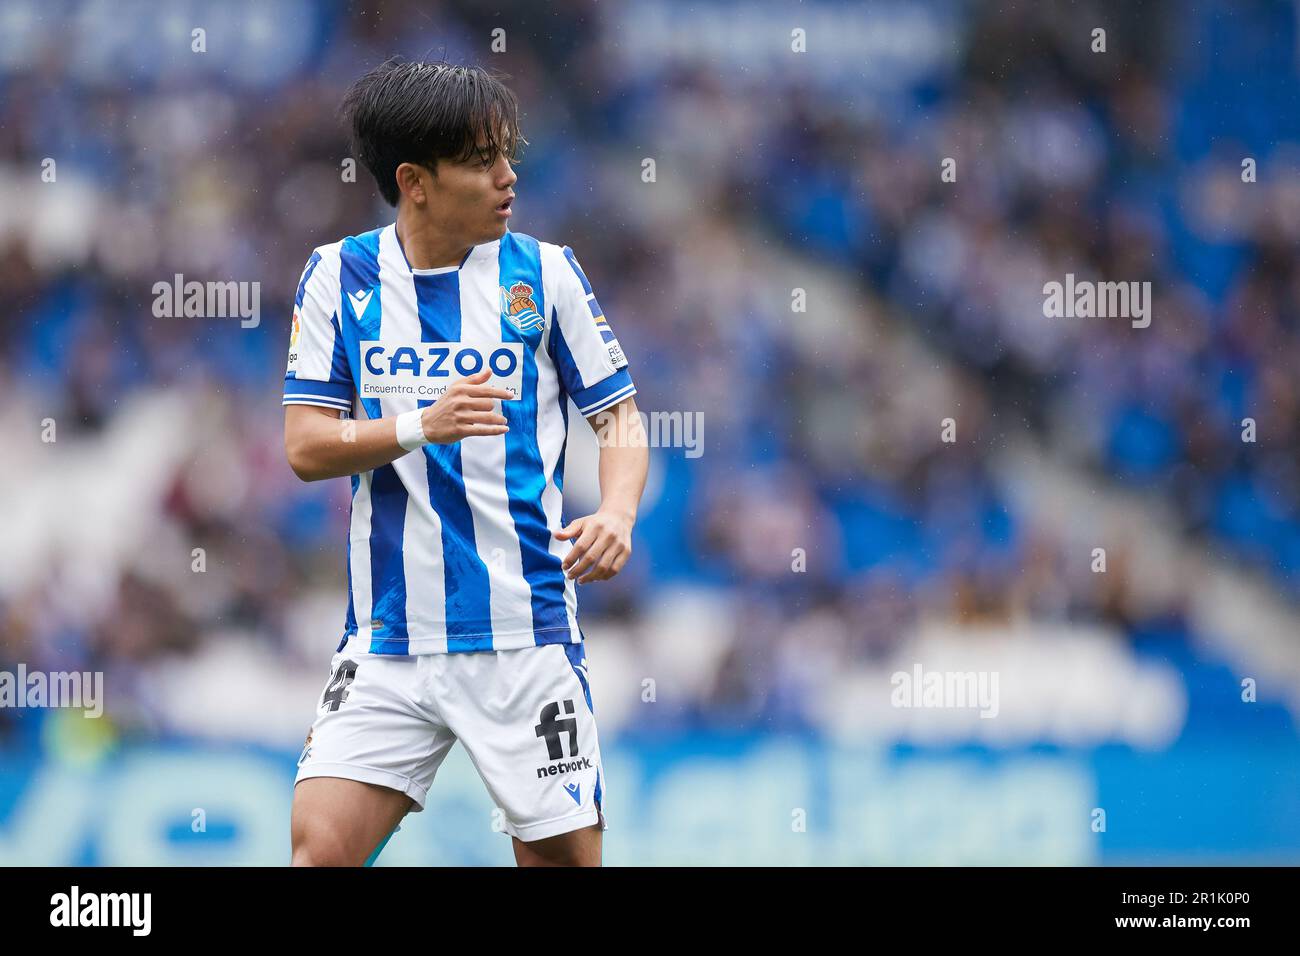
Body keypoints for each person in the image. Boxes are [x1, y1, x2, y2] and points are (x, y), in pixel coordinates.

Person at [282, 58, 648, 867]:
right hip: (388, 643)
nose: (508, 177)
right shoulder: (338, 277)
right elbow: (307, 446)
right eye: (483, 161)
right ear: (415, 180)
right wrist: (419, 425)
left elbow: (617, 414)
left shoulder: (545, 274)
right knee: (318, 856)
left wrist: (618, 513)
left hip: (524, 634)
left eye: (507, 154)